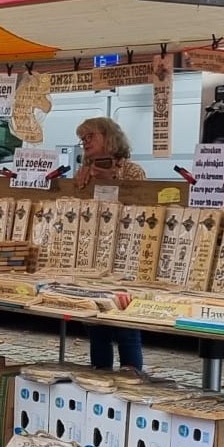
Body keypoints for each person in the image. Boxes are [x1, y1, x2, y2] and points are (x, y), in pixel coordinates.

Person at [75, 117, 148, 376]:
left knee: (126, 324)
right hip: (95, 254)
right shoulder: (84, 170)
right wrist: (82, 185)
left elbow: (141, 205)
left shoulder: (132, 170)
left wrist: (111, 179)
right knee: (96, 324)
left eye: (90, 136)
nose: (85, 142)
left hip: (124, 254)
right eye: (82, 138)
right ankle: (100, 375)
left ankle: (131, 377)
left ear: (108, 138)